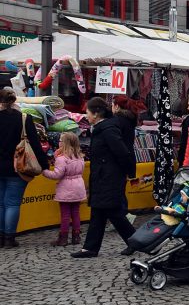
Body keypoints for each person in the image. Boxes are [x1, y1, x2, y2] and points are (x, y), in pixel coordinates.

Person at [71, 98, 136, 258]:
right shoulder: (102, 128)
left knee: (113, 212)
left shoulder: (108, 130)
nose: (86, 115)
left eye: (88, 112)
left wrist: (124, 172)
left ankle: (137, 242)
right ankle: (90, 248)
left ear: (97, 113)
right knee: (99, 212)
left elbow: (122, 152)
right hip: (103, 175)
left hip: (109, 177)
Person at [0, 88, 49, 247]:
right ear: (14, 101)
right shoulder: (23, 118)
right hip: (18, 167)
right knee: (12, 203)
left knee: (0, 203)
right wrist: (44, 165)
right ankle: (9, 238)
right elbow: (34, 144)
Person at [42, 133, 86, 247]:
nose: (59, 142)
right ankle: (76, 236)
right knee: (76, 213)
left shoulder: (62, 158)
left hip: (66, 188)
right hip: (78, 186)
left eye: (61, 140)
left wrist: (44, 172)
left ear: (65, 143)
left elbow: (57, 174)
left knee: (65, 214)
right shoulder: (80, 156)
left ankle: (63, 238)